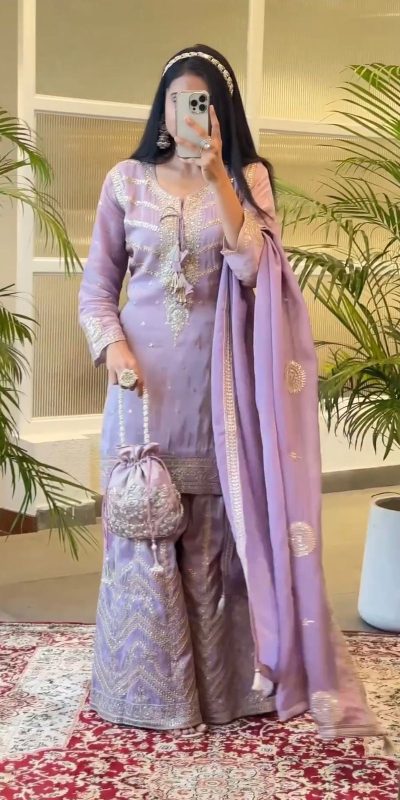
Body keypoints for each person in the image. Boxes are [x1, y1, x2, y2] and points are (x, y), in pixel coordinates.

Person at [79, 45, 382, 742]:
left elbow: (254, 269)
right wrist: (113, 346)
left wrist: (218, 174)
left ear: (221, 112)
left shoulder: (249, 180)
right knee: (147, 521)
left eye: (202, 102)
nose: (187, 113)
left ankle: (223, 692)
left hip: (219, 394)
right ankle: (147, 690)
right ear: (160, 107)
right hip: (140, 395)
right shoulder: (125, 182)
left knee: (214, 533)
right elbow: (97, 289)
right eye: (177, 100)